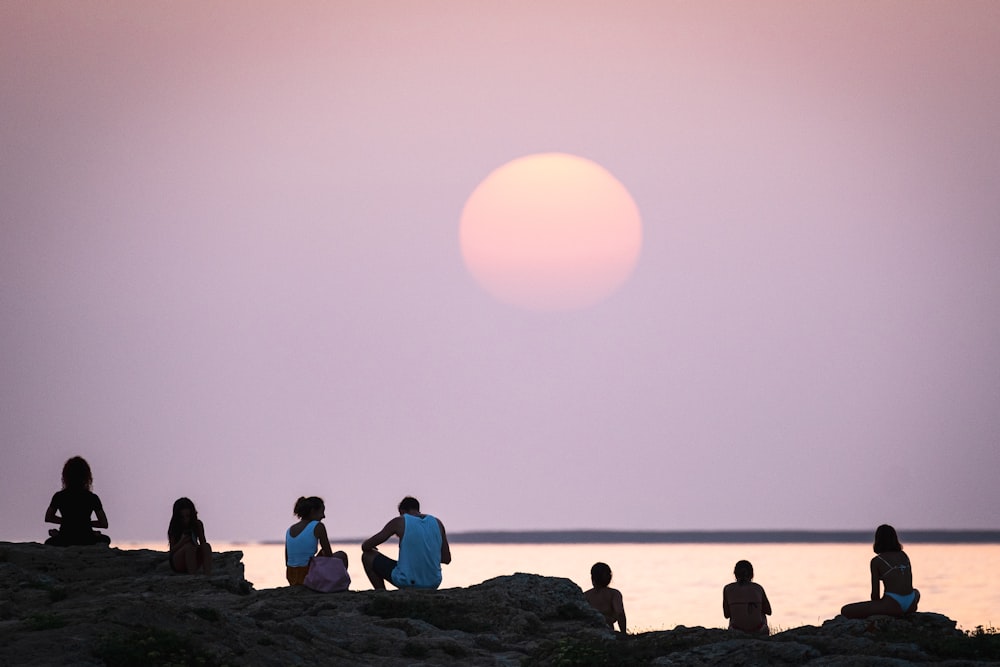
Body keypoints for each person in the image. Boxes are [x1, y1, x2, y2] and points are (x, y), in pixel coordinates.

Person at [361, 496, 451, 590]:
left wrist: (370, 545)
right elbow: (446, 559)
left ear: (402, 511)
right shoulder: (437, 523)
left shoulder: (400, 521)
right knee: (402, 565)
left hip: (408, 581)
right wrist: (426, 555)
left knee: (367, 556)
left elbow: (366, 546)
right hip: (434, 583)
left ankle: (381, 592)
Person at [841, 524, 920, 618]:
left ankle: (896, 610)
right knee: (916, 592)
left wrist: (878, 606)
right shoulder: (904, 555)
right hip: (911, 604)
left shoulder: (876, 561)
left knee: (845, 610)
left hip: (892, 605)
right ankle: (903, 608)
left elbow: (875, 594)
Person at [44, 456, 111, 546]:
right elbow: (104, 523)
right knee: (105, 539)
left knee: (49, 542)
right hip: (87, 537)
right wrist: (84, 524)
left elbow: (48, 517)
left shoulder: (59, 496)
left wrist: (69, 523)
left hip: (65, 537)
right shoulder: (92, 498)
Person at [285, 496, 348, 586]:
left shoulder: (290, 529)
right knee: (342, 555)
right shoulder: (318, 526)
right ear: (313, 511)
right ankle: (339, 585)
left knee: (322, 552)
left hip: (292, 576)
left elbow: (287, 560)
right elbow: (329, 554)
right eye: (321, 512)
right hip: (308, 576)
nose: (324, 516)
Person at [722, 560, 772, 633]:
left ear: (735, 574)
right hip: (759, 630)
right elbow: (768, 611)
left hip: (736, 631)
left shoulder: (727, 588)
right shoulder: (758, 588)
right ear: (751, 574)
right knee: (762, 613)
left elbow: (727, 615)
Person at [167, 497, 213, 574]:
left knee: (206, 546)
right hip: (178, 561)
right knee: (189, 547)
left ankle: (207, 575)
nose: (186, 520)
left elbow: (203, 543)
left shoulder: (197, 524)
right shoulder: (174, 526)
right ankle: (193, 577)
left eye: (188, 516)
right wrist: (182, 542)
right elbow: (172, 551)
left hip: (193, 555)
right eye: (182, 517)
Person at [583, 562, 627, 634]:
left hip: (589, 632)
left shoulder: (585, 595)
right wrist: (624, 633)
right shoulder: (614, 594)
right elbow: (620, 613)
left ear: (592, 577)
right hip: (608, 631)